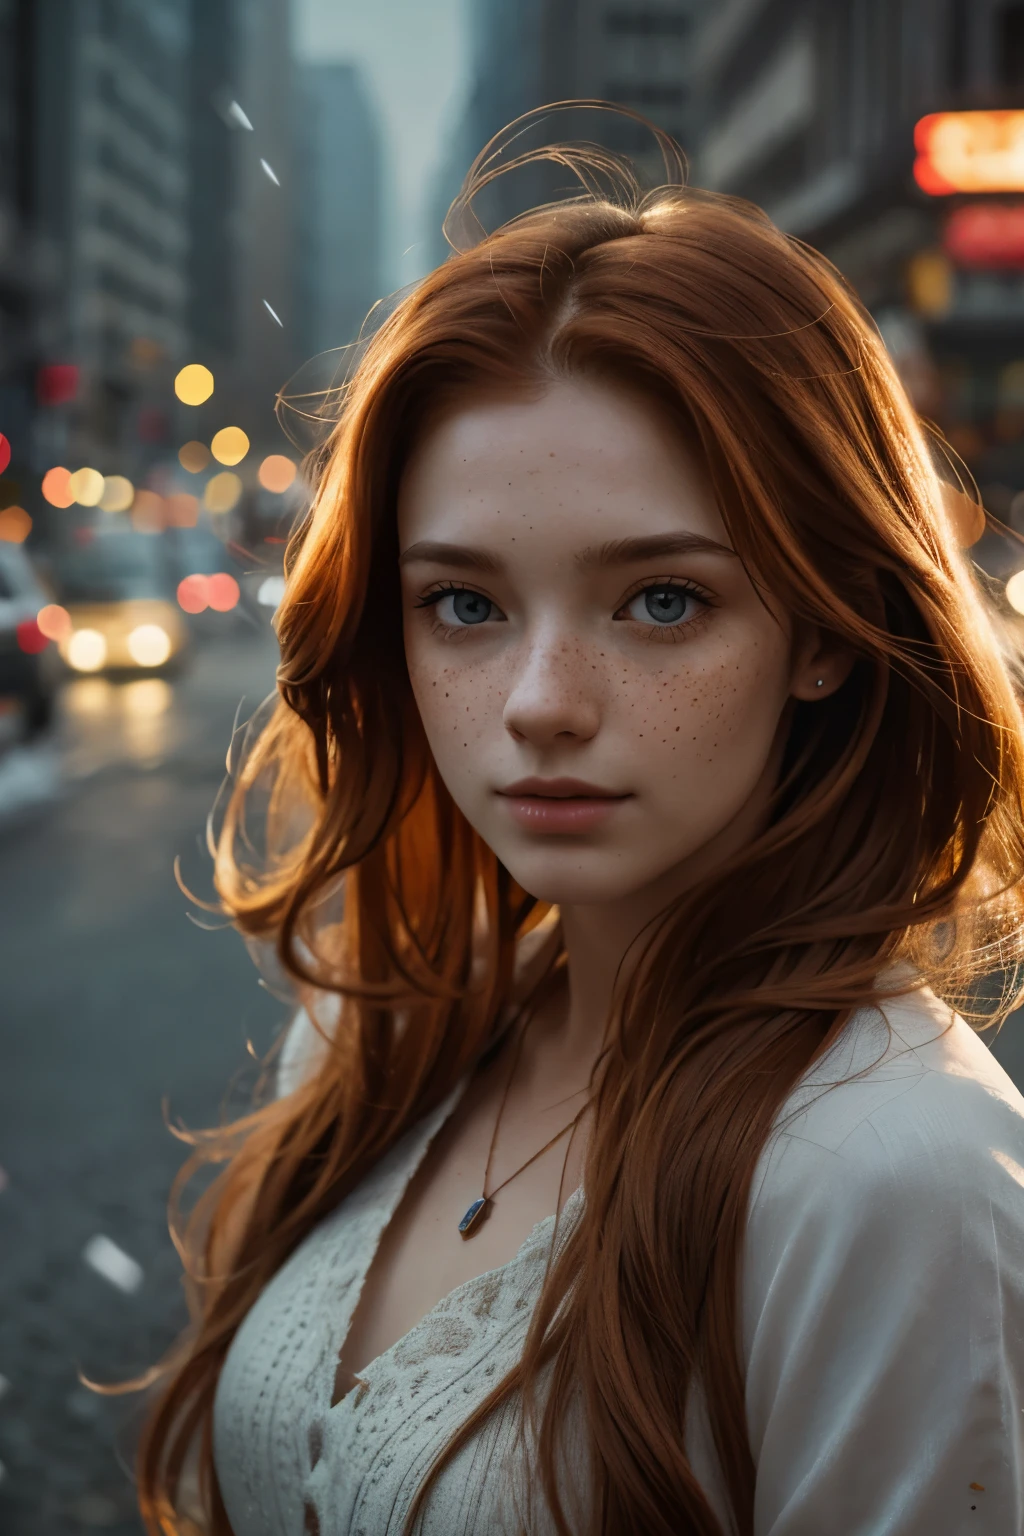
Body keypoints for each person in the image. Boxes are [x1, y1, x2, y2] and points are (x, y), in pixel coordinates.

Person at [136, 115, 1024, 1535]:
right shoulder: (390, 1036)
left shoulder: (893, 1173)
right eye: (466, 604)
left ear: (825, 628)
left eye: (662, 598)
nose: (542, 704)